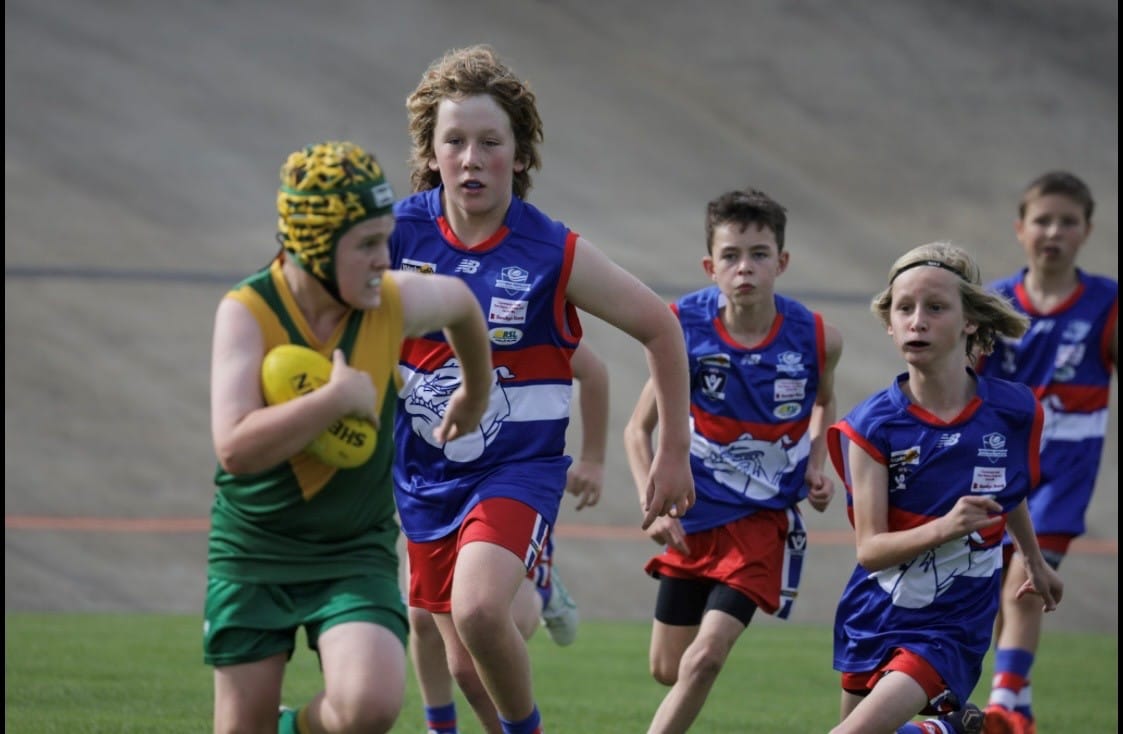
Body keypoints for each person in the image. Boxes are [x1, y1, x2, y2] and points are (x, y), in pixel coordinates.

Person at [389, 44, 695, 734]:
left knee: (475, 612)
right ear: (431, 153)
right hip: (424, 477)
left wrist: (672, 446)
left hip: (516, 471)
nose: (471, 158)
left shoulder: (551, 251)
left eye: (489, 142)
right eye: (454, 141)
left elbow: (662, 329)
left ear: (519, 157)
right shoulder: (394, 233)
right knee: (465, 663)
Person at [203, 140, 494, 734]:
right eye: (365, 245)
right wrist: (334, 401)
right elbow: (233, 447)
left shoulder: (389, 302)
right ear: (313, 245)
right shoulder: (247, 311)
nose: (384, 259)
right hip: (256, 550)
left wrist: (476, 393)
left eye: (386, 239)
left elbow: (463, 303)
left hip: (350, 551)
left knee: (370, 705)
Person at [622, 187, 843, 734]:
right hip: (694, 515)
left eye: (759, 254)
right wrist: (654, 505)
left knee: (705, 659)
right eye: (731, 256)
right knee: (667, 668)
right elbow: (637, 429)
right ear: (710, 266)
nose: (745, 267)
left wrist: (819, 462)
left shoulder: (817, 338)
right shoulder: (679, 328)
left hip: (761, 526)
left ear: (782, 262)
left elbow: (825, 402)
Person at [825, 242, 1065, 734]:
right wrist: (947, 526)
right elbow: (870, 550)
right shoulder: (871, 426)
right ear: (889, 322)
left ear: (969, 320)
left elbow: (1008, 491)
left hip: (952, 623)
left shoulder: (1014, 410)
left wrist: (1034, 561)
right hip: (874, 610)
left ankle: (942, 728)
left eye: (936, 308)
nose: (917, 321)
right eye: (904, 308)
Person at [974, 172, 1117, 734]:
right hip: (1001, 470)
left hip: (1063, 475)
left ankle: (1003, 704)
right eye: (1042, 220)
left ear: (1086, 231)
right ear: (1020, 229)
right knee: (993, 592)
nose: (1053, 232)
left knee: (1023, 585)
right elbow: (967, 382)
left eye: (1067, 221)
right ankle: (1019, 707)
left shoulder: (1106, 302)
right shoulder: (997, 304)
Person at [408, 340, 608, 734]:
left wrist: (594, 458)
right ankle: (440, 728)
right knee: (422, 619)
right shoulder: (416, 295)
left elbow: (594, 370)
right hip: (438, 486)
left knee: (484, 621)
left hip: (509, 482)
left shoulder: (523, 305)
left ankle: (539, 587)